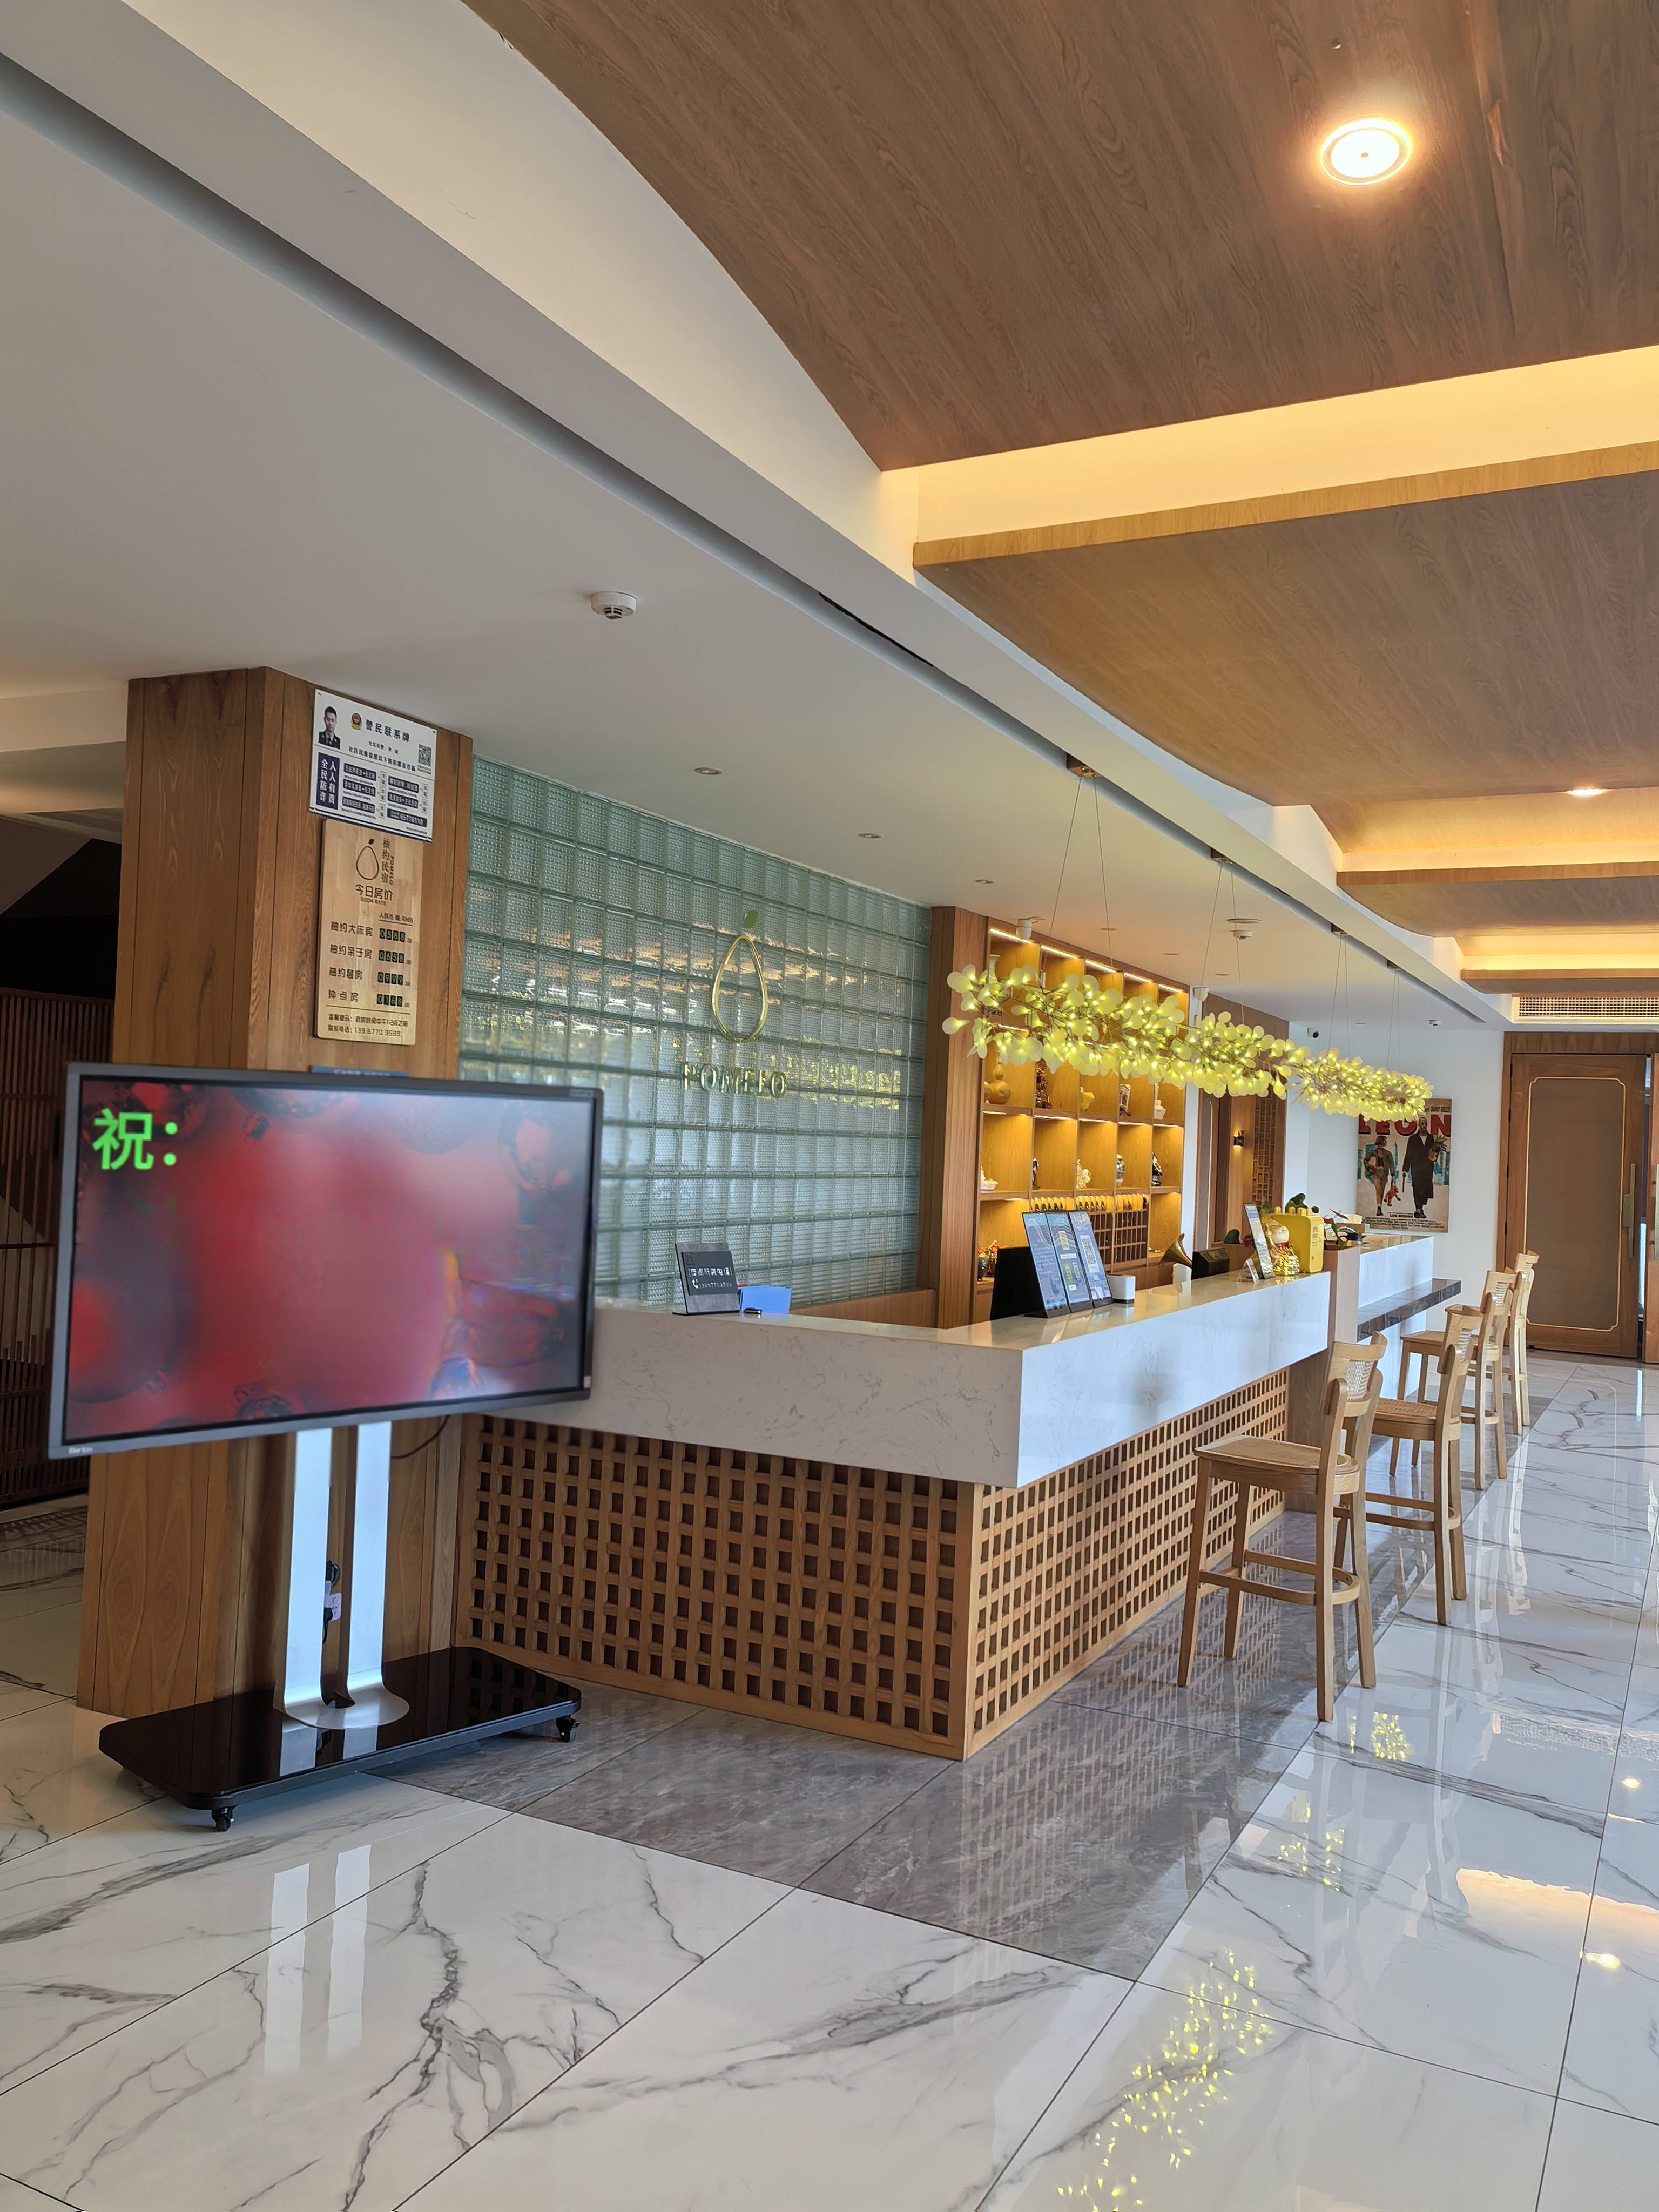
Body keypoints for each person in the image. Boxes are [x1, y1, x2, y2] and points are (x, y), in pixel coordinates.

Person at [1402, 1123, 1436, 1220]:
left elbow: (1436, 1151)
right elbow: (1409, 1153)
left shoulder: (1432, 1138)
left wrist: (1434, 1157)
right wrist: (1405, 1169)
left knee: (1426, 1188)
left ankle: (1420, 1208)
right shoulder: (1413, 1139)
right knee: (1417, 1188)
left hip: (1428, 1167)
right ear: (1419, 1125)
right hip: (1416, 1167)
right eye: (1422, 1124)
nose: (1424, 1126)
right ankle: (1418, 1209)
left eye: (1425, 1124)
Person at [1362, 1139, 1393, 1216]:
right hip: (1376, 1172)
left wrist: (1392, 1172)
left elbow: (1392, 1163)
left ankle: (1379, 1208)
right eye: (1381, 1143)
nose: (1382, 1145)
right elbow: (1366, 1160)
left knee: (1382, 1192)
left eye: (1383, 1144)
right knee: (1378, 1190)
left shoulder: (1388, 1153)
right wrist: (1369, 1168)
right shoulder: (1373, 1152)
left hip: (1384, 1173)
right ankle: (1379, 1208)